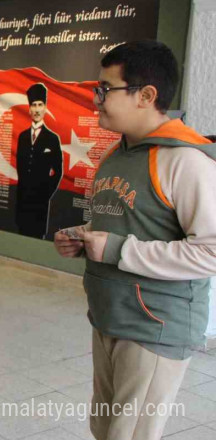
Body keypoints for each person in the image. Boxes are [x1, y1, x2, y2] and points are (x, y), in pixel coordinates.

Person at [54, 40, 216, 440]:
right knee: (106, 428)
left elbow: (211, 250)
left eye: (106, 89)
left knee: (130, 434)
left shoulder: (186, 161)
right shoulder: (117, 155)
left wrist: (116, 249)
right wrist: (82, 238)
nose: (96, 100)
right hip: (111, 315)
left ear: (146, 95)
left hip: (154, 326)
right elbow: (125, 224)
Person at [15, 83, 63, 239]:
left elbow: (58, 171)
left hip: (40, 204)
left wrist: (45, 193)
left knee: (36, 237)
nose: (36, 109)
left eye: (40, 105)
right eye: (33, 105)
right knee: (20, 237)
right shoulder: (22, 137)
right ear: (29, 108)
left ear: (45, 108)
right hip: (22, 201)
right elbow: (20, 166)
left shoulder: (52, 138)